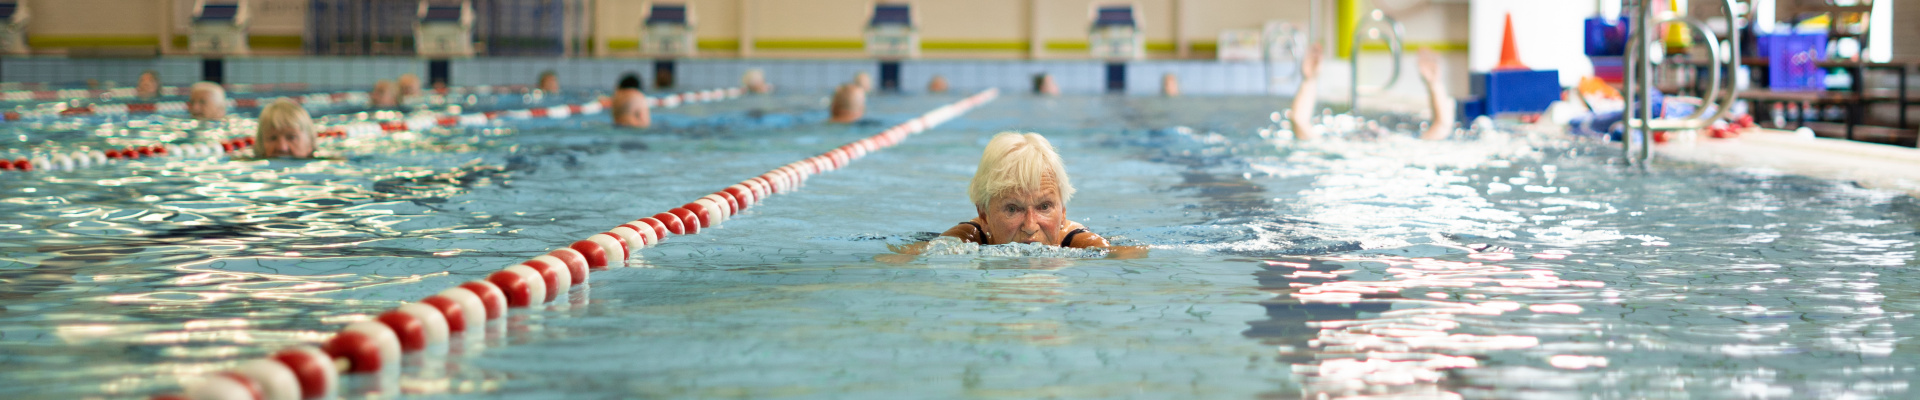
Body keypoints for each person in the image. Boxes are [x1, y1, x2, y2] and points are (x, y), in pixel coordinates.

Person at [890, 132, 1138, 257]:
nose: (1030, 226)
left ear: (1063, 212)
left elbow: (1133, 257)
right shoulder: (968, 238)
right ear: (984, 214)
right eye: (1012, 208)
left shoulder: (1077, 242)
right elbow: (897, 259)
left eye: (1044, 206)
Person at [1290, 45, 1455, 141]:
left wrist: (1434, 83)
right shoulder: (1345, 150)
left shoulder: (1399, 148)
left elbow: (1299, 122)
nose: (1373, 129)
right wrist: (1309, 80)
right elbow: (1442, 127)